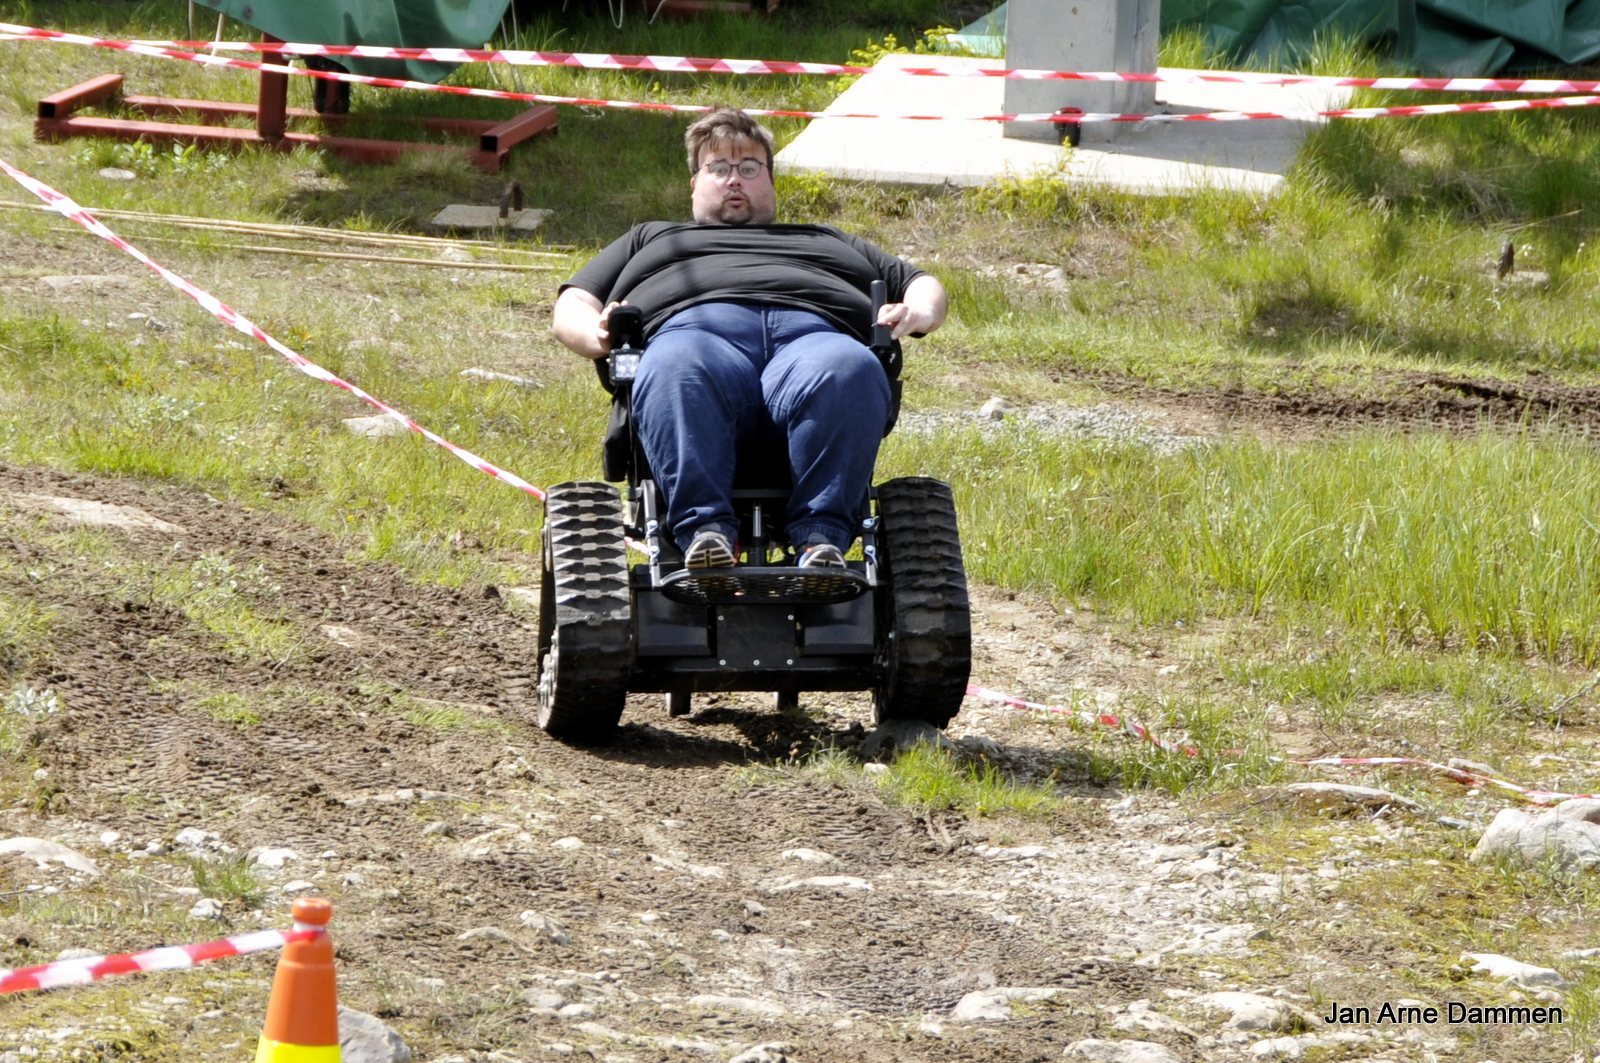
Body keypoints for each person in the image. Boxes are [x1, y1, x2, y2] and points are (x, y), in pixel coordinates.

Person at [552, 108, 947, 570]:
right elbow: (572, 303)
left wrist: (917, 311)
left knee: (850, 367)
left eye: (748, 168)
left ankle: (821, 541)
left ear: (771, 181)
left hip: (816, 337)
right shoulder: (651, 238)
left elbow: (923, 283)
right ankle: (706, 535)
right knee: (678, 365)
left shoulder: (826, 239)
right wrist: (597, 333)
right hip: (695, 334)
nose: (733, 179)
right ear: (694, 184)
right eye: (717, 168)